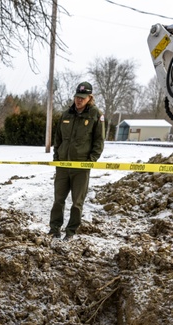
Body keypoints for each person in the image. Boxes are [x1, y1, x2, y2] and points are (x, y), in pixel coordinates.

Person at [50, 81, 105, 241]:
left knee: (77, 203)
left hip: (81, 167)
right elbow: (58, 138)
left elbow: (99, 141)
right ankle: (54, 229)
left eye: (82, 98)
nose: (79, 100)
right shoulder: (66, 114)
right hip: (62, 165)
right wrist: (57, 158)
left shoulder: (95, 115)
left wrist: (91, 160)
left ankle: (71, 231)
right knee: (58, 200)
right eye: (77, 97)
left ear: (89, 97)